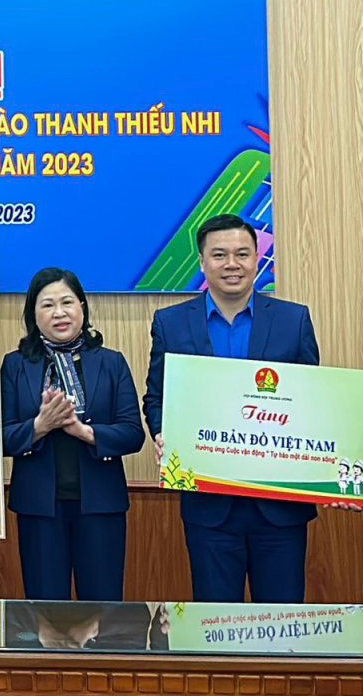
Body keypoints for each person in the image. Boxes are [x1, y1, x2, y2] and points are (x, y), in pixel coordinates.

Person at [143, 213, 318, 602]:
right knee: (214, 622)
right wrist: (161, 431)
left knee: (282, 620)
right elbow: (156, 396)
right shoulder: (171, 324)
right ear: (202, 262)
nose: (232, 264)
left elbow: (312, 403)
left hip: (279, 504)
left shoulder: (293, 320)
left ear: (257, 259)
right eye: (219, 255)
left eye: (242, 253)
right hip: (209, 505)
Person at [0, 267, 144, 600]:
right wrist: (39, 427)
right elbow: (0, 438)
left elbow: (132, 433)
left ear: (82, 308)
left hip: (101, 505)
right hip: (39, 507)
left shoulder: (111, 363)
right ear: (33, 315)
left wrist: (84, 432)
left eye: (67, 302)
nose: (59, 313)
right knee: (46, 609)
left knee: (104, 607)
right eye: (47, 305)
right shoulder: (16, 365)